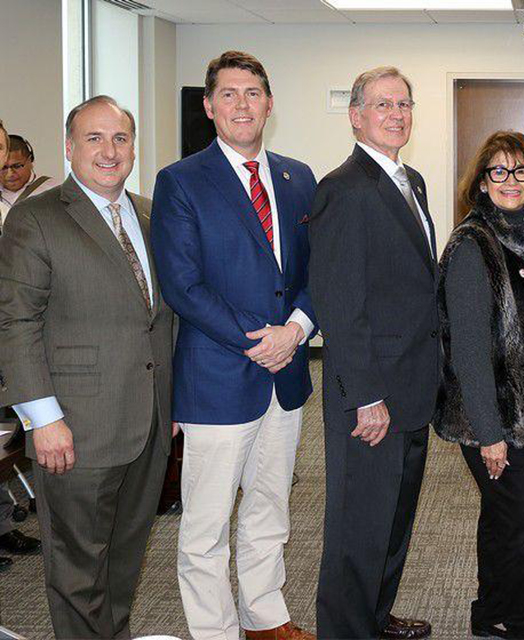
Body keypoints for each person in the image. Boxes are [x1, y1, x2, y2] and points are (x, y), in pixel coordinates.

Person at [152, 51, 317, 640]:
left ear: (270, 103)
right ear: (208, 106)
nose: (242, 104)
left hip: (286, 373)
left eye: (253, 93)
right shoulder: (180, 181)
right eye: (228, 94)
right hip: (219, 377)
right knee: (205, 526)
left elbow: (314, 274)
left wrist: (295, 330)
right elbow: (182, 285)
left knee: (270, 510)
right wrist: (261, 341)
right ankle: (215, 632)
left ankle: (265, 617)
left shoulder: (299, 177)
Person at [0, 95, 174, 639]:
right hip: (73, 428)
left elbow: (162, 320)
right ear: (69, 148)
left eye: (120, 139)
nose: (109, 151)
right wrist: (42, 418)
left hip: (148, 423)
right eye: (94, 139)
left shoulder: (150, 214)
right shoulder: (37, 218)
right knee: (78, 571)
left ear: (133, 148)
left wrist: (174, 404)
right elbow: (15, 323)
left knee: (123, 559)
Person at [434, 131, 524, 640]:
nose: (511, 181)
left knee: (502, 516)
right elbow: (468, 351)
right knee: (518, 522)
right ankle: (518, 623)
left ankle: (488, 612)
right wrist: (489, 434)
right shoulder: (474, 244)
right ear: (480, 183)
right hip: (493, 418)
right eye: (498, 171)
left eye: (521, 171)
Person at [309, 65, 437, 640]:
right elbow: (339, 305)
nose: (397, 114)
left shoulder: (411, 180)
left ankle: (376, 619)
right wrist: (366, 397)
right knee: (357, 528)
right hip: (372, 397)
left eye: (404, 104)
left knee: (392, 521)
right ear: (356, 115)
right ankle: (346, 630)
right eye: (384, 105)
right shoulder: (343, 187)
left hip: (411, 388)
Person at [1, 134, 61, 226]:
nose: (10, 174)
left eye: (17, 166)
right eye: (3, 168)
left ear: (30, 161)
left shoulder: (56, 190)